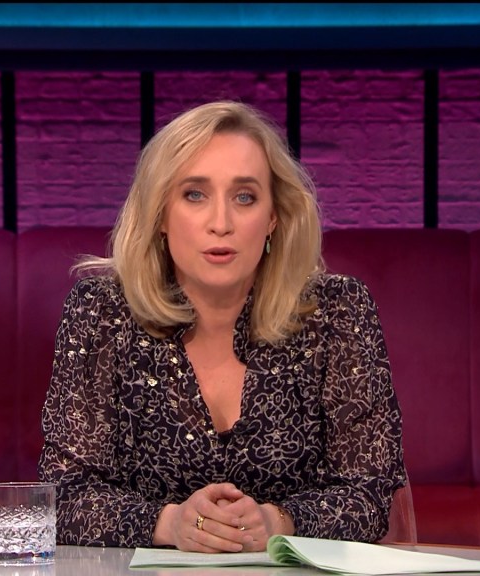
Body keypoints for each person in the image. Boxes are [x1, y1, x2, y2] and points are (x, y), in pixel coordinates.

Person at [38, 100, 406, 553]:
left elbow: (369, 495)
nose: (221, 223)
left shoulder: (337, 311)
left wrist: (277, 521)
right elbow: (64, 496)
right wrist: (170, 524)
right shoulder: (101, 312)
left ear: (273, 217)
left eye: (244, 197)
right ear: (160, 215)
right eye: (195, 194)